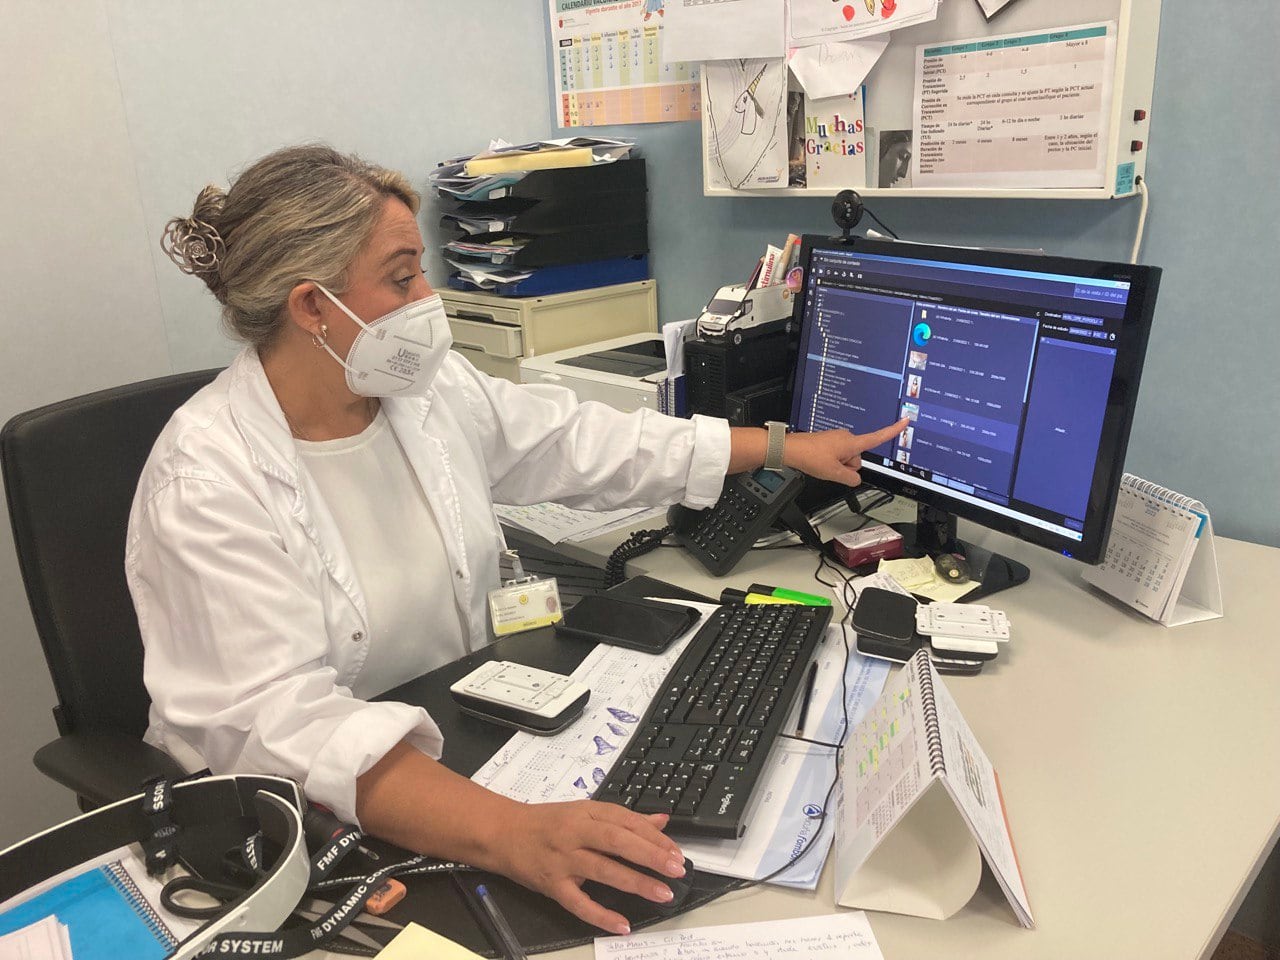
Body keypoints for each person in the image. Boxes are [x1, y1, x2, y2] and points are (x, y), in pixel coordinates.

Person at [128, 144, 907, 935]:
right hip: (312, 819)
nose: (428, 299)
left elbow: (573, 441)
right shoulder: (207, 483)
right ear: (312, 307)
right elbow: (285, 726)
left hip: (456, 736)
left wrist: (778, 448)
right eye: (403, 278)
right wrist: (513, 833)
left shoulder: (415, 392)